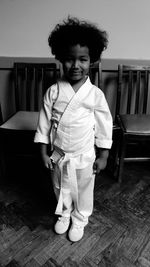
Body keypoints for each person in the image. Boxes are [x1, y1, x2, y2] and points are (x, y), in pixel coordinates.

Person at [34, 17, 113, 242]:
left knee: (85, 188)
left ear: (92, 61)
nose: (76, 65)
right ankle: (65, 213)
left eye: (83, 59)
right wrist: (42, 151)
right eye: (69, 59)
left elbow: (104, 125)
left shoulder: (95, 94)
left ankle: (80, 218)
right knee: (60, 186)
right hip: (59, 153)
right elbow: (44, 122)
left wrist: (104, 154)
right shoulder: (53, 91)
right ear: (60, 58)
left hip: (85, 153)